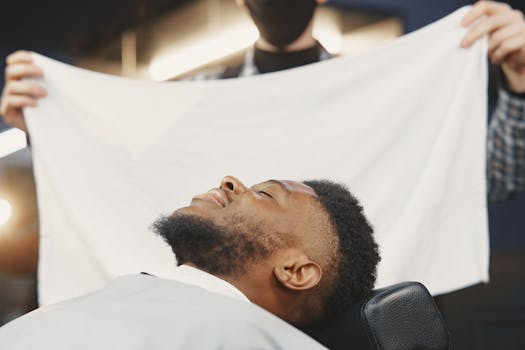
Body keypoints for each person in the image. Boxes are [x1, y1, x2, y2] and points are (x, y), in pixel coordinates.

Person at [1, 1, 525, 200]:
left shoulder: (375, 93)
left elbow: (488, 177)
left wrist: (521, 82)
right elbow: (123, 185)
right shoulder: (197, 100)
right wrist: (45, 133)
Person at [0, 176, 380, 349]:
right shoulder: (140, 294)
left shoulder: (260, 340)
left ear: (295, 271)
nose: (231, 181)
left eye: (265, 194)